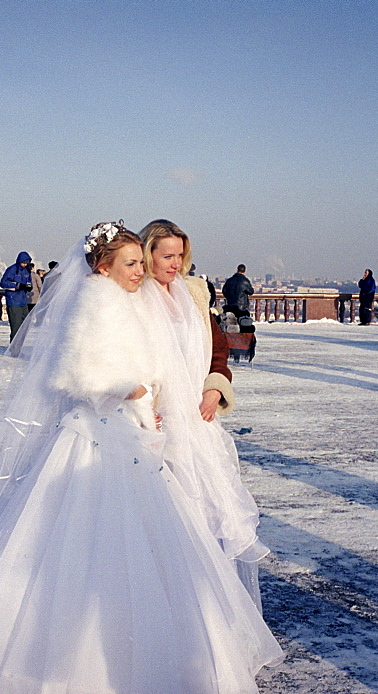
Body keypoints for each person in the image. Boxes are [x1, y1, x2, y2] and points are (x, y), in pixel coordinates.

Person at [0, 222, 283, 694]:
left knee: (152, 536)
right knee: (95, 543)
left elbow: (176, 354)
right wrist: (140, 393)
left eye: (147, 263)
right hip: (106, 435)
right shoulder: (99, 300)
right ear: (104, 265)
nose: (144, 271)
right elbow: (78, 372)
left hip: (136, 432)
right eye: (135, 262)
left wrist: (162, 396)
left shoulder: (139, 296)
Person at [138, 219, 267, 607]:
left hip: (198, 422)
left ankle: (205, 607)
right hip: (155, 427)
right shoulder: (133, 296)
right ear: (148, 255)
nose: (176, 264)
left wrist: (215, 387)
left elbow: (219, 350)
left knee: (208, 519)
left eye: (181, 256)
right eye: (168, 256)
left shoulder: (193, 294)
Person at [0, 251, 32, 340]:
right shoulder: (12, 269)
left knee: (25, 326)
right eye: (23, 262)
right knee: (16, 327)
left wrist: (29, 286)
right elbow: (3, 283)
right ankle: (14, 349)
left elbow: (28, 281)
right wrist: (17, 285)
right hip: (13, 302)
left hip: (23, 301)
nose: (25, 264)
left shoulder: (26, 271)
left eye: (26, 263)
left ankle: (20, 347)